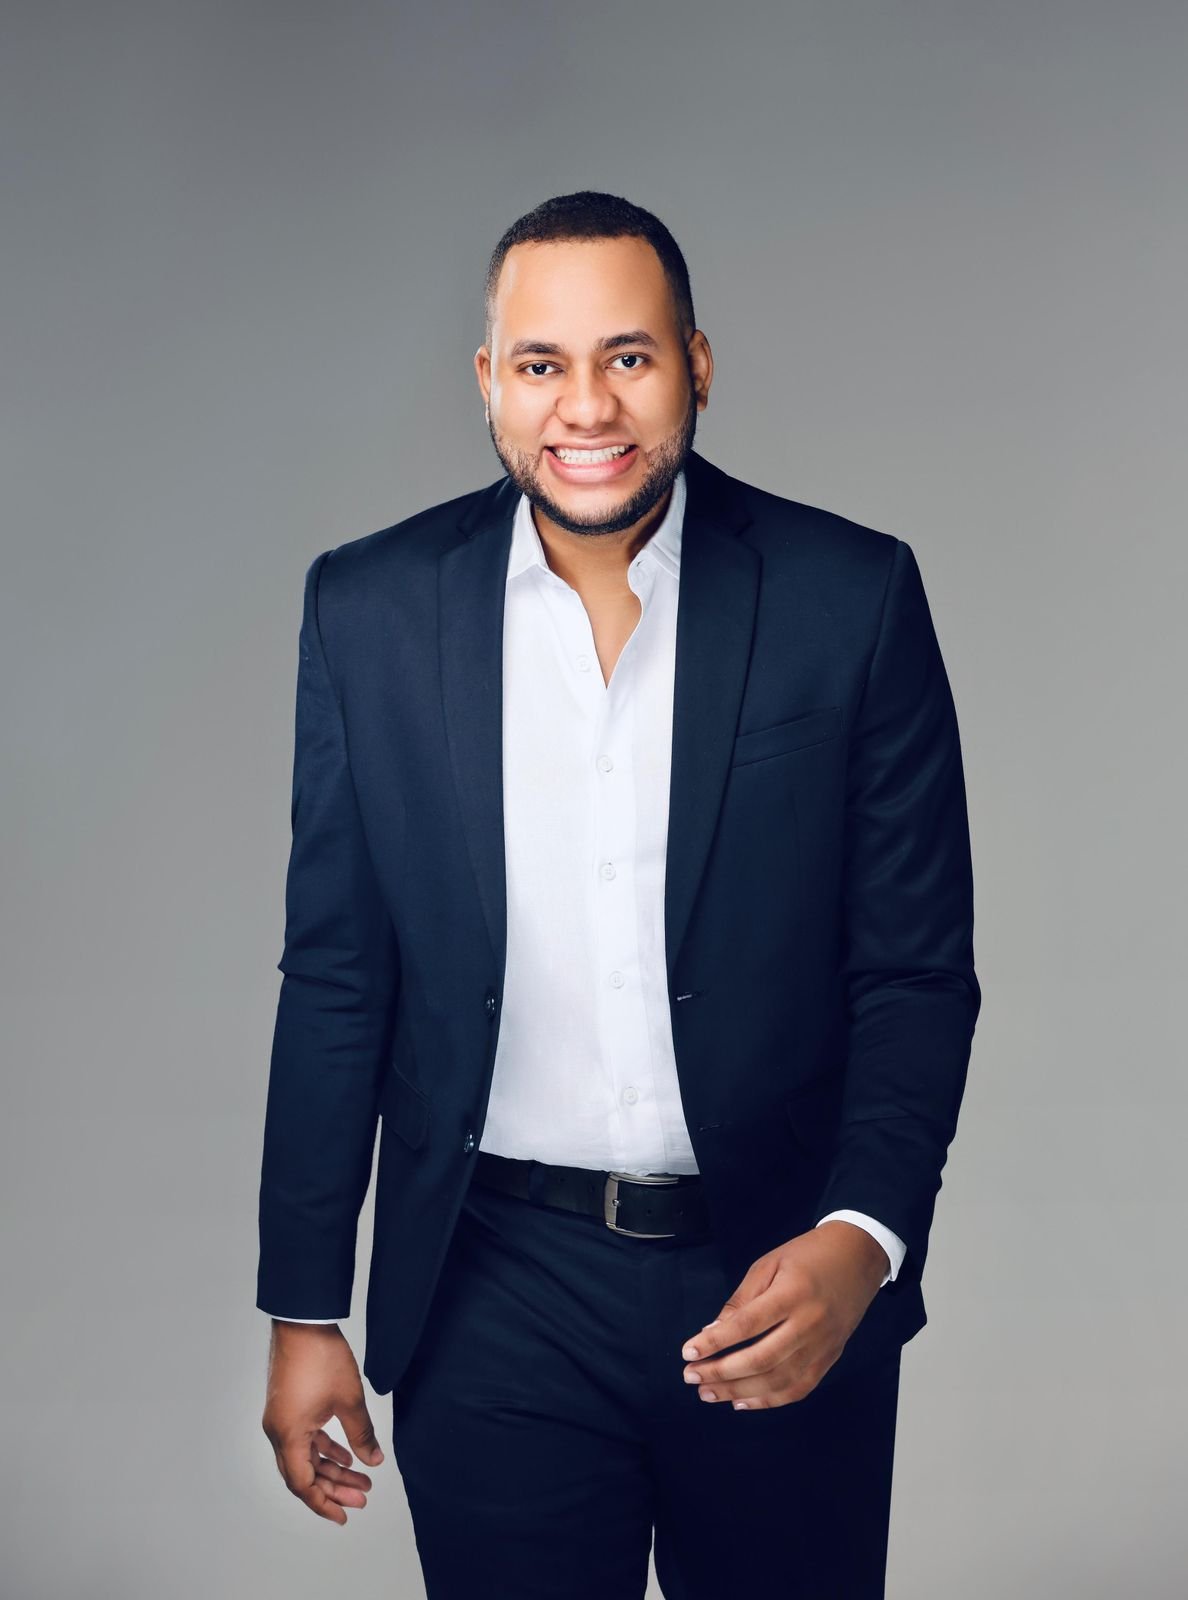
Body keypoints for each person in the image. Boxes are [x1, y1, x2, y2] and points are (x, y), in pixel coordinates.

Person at [257, 189, 981, 1598]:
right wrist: (302, 1303)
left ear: (696, 365)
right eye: (542, 363)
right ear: (488, 381)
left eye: (629, 357)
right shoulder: (369, 612)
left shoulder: (851, 597)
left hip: (777, 1272)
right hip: (490, 1286)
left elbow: (912, 973)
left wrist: (863, 1241)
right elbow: (338, 975)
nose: (586, 406)